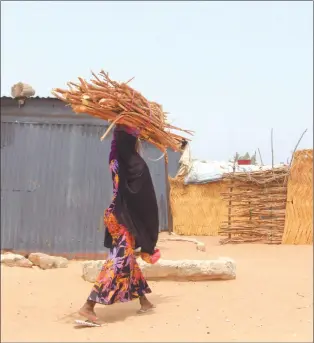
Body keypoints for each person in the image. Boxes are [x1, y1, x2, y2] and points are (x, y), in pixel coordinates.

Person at [79, 124, 161, 323]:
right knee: (118, 262)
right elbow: (145, 201)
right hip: (124, 219)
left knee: (127, 259)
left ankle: (144, 301)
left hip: (114, 216)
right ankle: (88, 306)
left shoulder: (115, 160)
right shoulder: (137, 165)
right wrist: (149, 235)